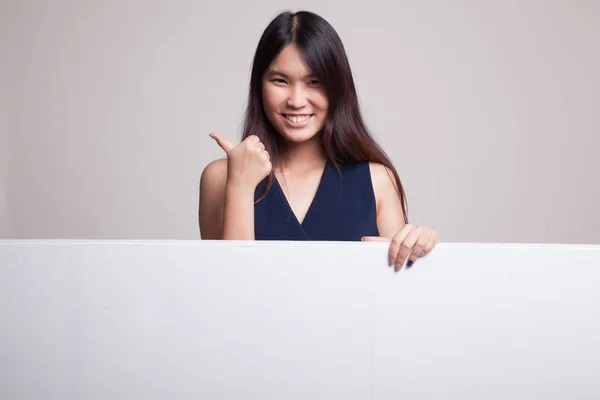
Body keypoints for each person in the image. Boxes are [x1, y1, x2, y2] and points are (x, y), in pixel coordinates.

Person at [199, 10, 440, 270]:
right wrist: (241, 187)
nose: (297, 100)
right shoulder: (220, 177)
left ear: (338, 87)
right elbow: (228, 289)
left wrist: (422, 245)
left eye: (314, 82)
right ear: (259, 85)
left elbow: (397, 294)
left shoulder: (378, 181)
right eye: (280, 81)